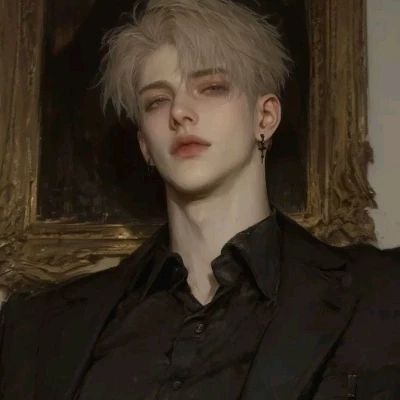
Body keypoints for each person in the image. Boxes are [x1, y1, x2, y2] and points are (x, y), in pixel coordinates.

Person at [1, 0, 400, 399]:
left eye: (211, 87)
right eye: (157, 100)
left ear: (264, 117)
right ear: (145, 146)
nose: (179, 111)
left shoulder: (382, 291)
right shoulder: (37, 329)